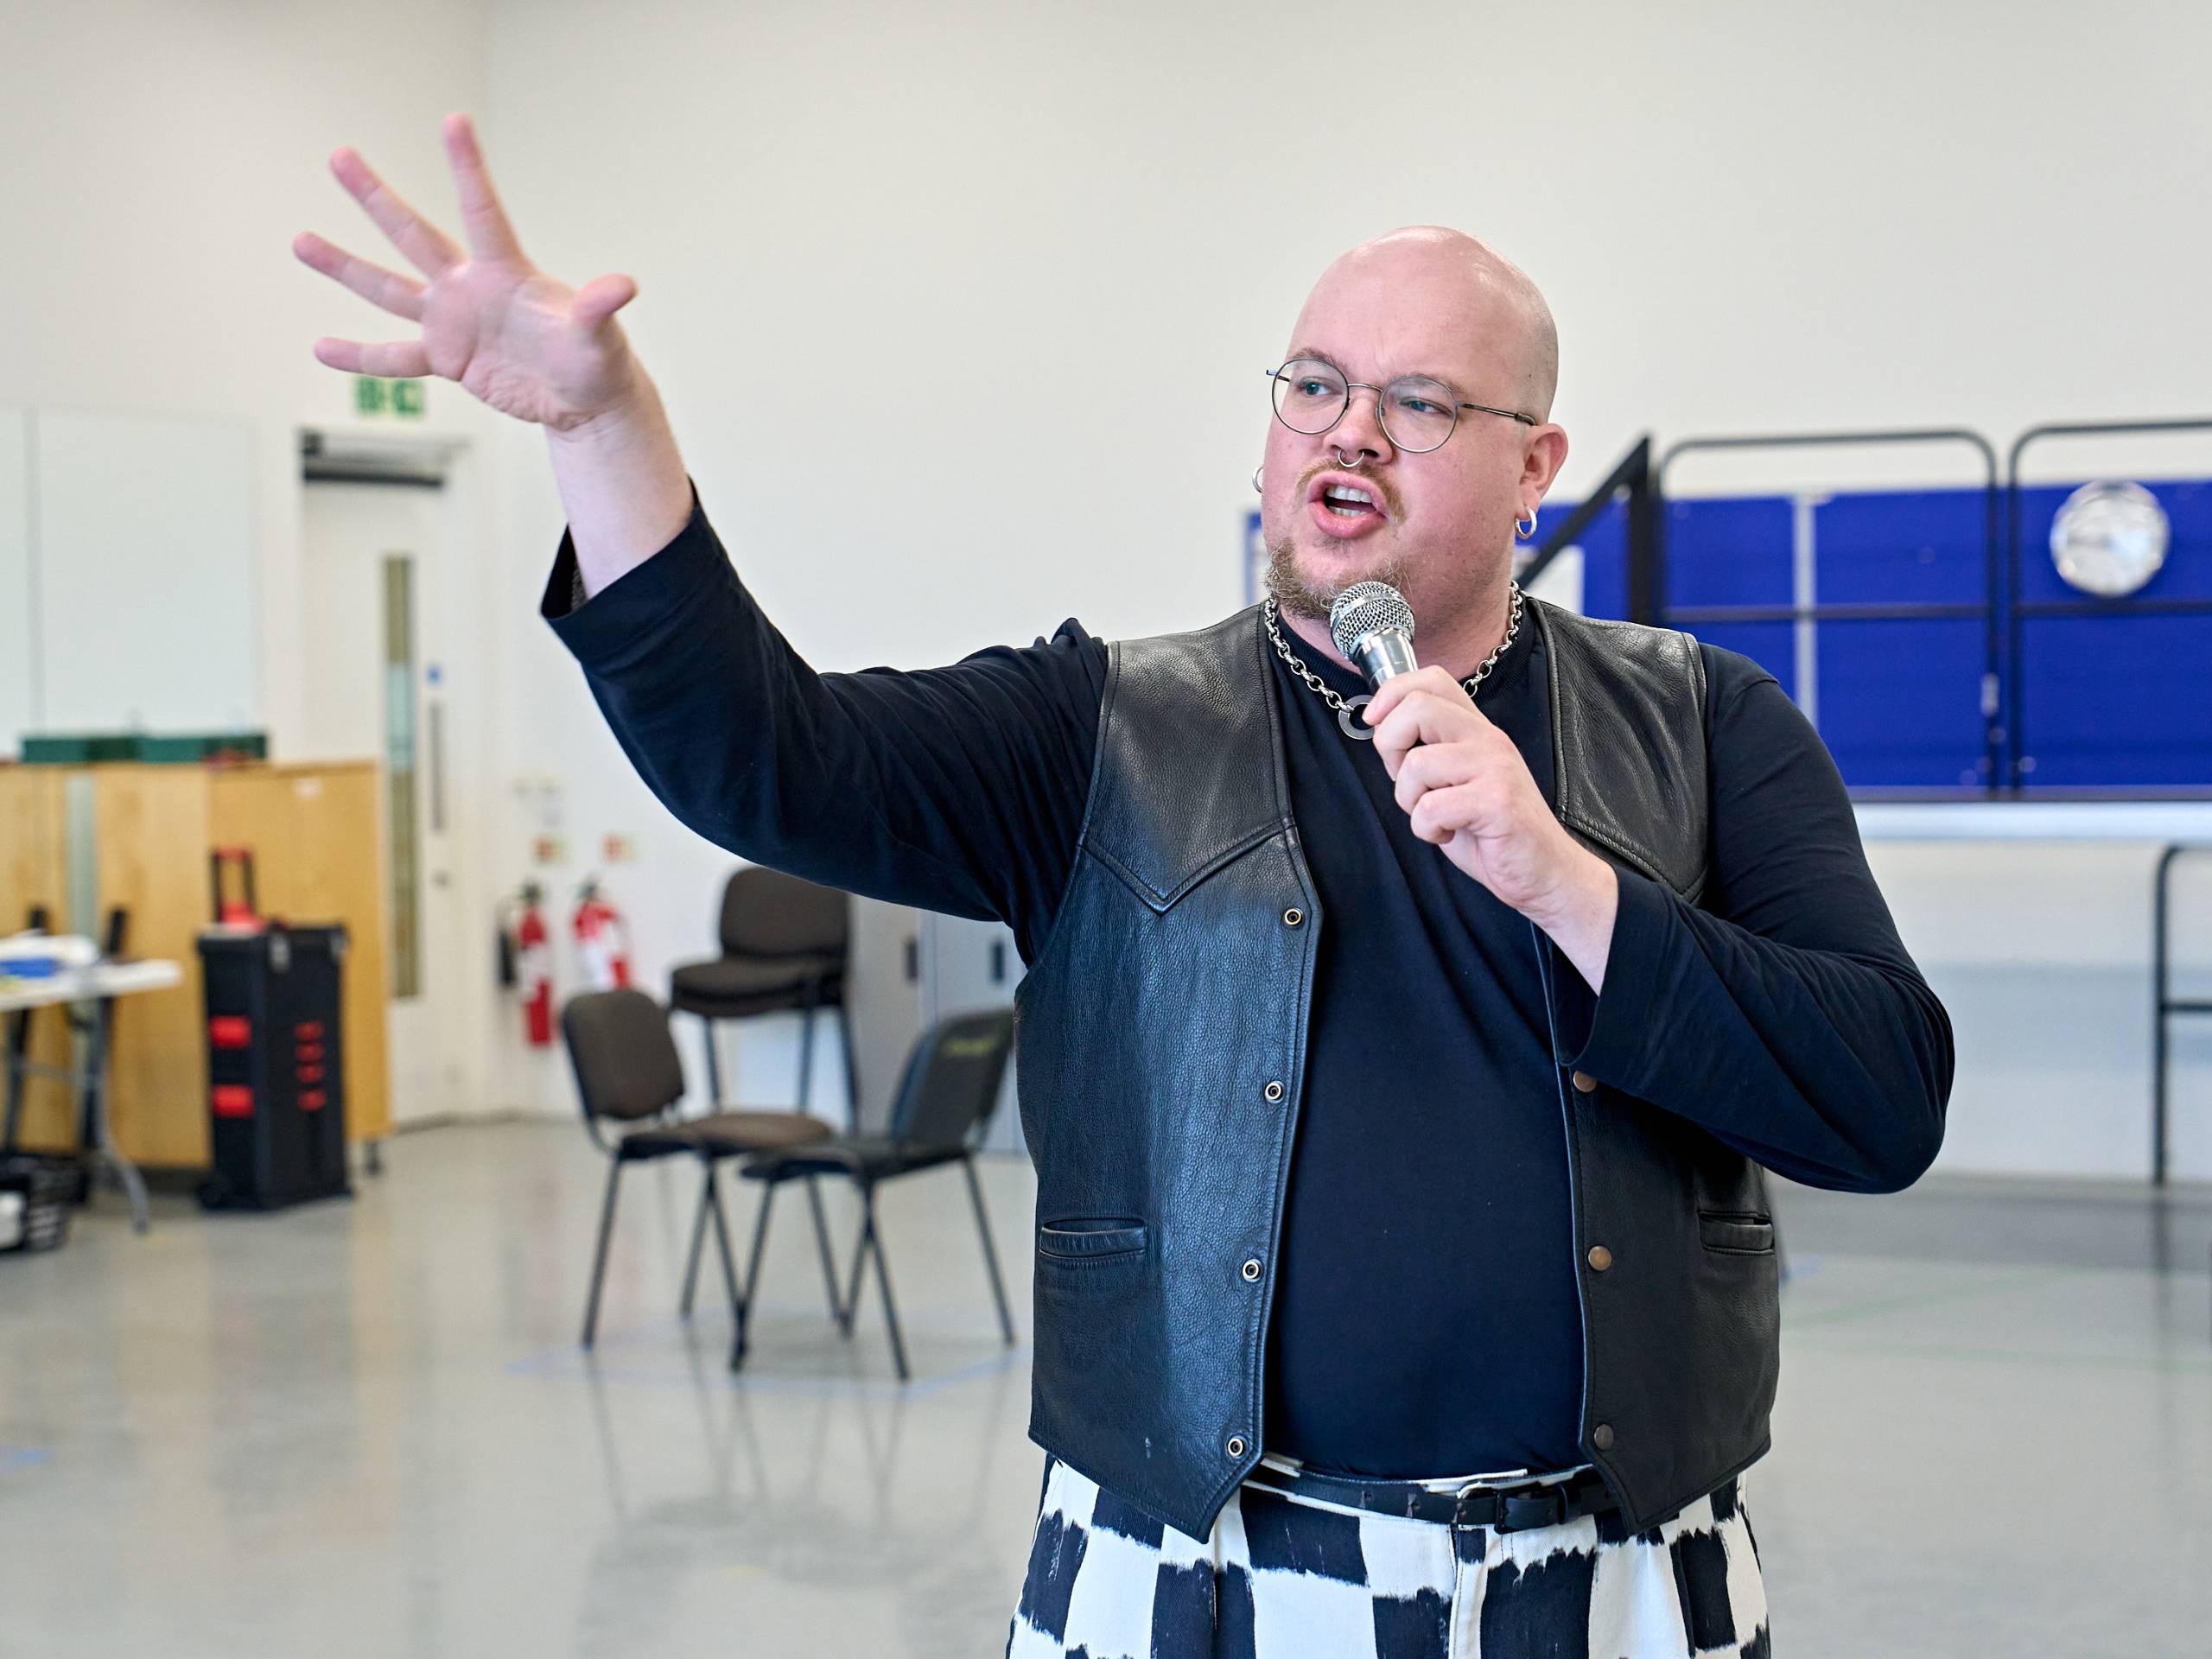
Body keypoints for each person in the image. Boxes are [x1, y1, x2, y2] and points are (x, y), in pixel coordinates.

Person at [298, 113, 1955, 1659]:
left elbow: (1880, 1101)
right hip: (1196, 1566)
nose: (1349, 432)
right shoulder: (1100, 726)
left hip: (1617, 1573)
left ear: (1538, 467)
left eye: (1424, 402)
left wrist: (1572, 886)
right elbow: (764, 757)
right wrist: (602, 423)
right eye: (1313, 383)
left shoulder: (1705, 723)